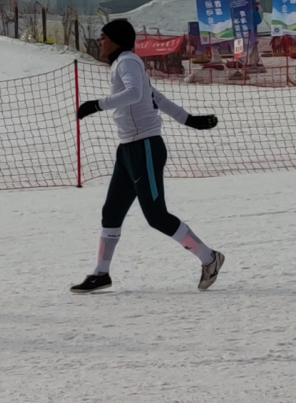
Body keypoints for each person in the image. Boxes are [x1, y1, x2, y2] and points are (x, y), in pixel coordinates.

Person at [72, 19, 225, 294]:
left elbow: (135, 94)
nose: (100, 41)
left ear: (117, 40)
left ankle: (210, 258)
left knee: (156, 215)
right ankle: (101, 273)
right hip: (128, 149)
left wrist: (96, 105)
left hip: (145, 148)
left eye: (104, 37)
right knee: (112, 212)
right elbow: (157, 97)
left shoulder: (127, 62)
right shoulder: (124, 64)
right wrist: (191, 120)